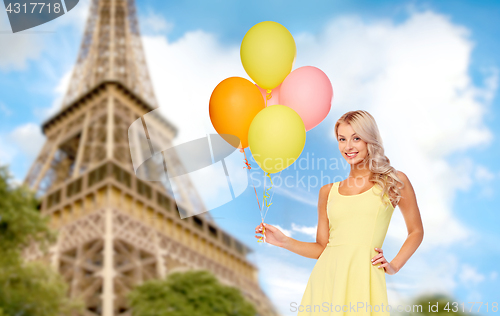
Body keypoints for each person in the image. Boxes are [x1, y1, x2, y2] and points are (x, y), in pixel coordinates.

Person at [255, 110, 424, 315]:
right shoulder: (327, 192)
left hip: (364, 280)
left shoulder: (395, 181)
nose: (348, 147)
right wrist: (284, 241)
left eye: (356, 138)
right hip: (326, 281)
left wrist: (395, 265)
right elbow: (321, 248)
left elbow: (416, 231)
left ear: (370, 140)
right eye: (342, 139)